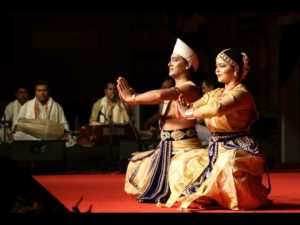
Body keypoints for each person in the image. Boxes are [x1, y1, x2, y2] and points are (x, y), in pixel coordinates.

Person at [175, 48, 271, 210]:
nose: (216, 70)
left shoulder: (241, 94)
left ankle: (224, 197)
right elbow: (192, 107)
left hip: (239, 147)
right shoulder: (215, 93)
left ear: (235, 70)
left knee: (229, 164)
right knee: (184, 162)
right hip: (216, 146)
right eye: (216, 66)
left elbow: (217, 109)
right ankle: (214, 196)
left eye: (221, 66)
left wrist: (188, 113)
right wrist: (181, 103)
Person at [117, 38, 208, 204]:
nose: (169, 63)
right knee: (134, 165)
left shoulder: (190, 88)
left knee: (183, 173)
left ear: (187, 65)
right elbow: (161, 103)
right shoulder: (171, 91)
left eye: (175, 60)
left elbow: (158, 95)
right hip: (165, 148)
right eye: (170, 60)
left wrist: (132, 98)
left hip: (185, 150)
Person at [12, 80, 75, 147]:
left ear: (48, 91)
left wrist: (63, 132)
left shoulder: (57, 107)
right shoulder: (27, 106)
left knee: (70, 138)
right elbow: (17, 123)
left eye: (44, 90)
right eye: (39, 91)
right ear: (35, 92)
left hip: (51, 139)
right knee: (17, 135)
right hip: (31, 139)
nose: (42, 93)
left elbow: (64, 124)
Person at [195, 78, 218, 147]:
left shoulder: (215, 100)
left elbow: (199, 120)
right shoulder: (207, 99)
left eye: (204, 88)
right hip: (211, 131)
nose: (202, 91)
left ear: (211, 87)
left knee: (194, 127)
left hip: (216, 133)